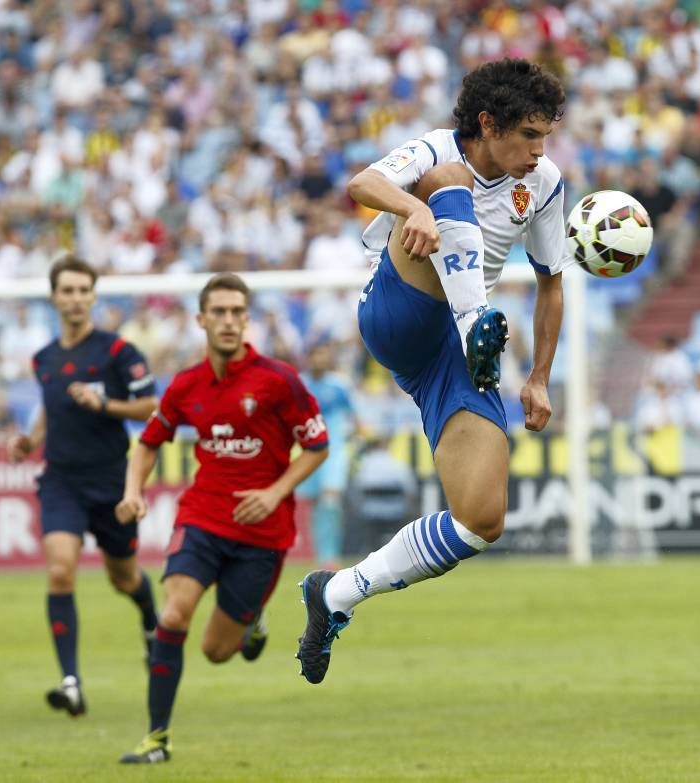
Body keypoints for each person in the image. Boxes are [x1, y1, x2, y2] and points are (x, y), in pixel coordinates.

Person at [296, 58, 570, 684]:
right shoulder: (440, 149)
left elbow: (551, 284)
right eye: (529, 135)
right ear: (487, 123)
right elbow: (364, 183)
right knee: (444, 183)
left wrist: (539, 377)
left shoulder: (547, 184)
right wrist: (412, 208)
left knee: (481, 518)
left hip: (451, 355)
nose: (540, 149)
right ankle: (478, 318)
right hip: (400, 309)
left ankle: (336, 594)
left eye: (545, 135)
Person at [116, 273, 329, 764]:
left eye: (238, 312)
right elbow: (148, 442)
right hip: (204, 517)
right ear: (201, 320)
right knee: (172, 615)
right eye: (220, 312)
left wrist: (275, 493)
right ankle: (156, 739)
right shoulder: (186, 386)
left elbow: (317, 446)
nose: (229, 321)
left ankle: (252, 624)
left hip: (263, 533)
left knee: (215, 650)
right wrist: (133, 492)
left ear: (246, 320)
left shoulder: (278, 380)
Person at [7, 255, 159, 716]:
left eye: (82, 290)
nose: (74, 298)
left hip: (111, 481)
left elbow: (150, 406)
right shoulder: (43, 358)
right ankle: (70, 681)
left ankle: (151, 624)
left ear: (93, 296)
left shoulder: (116, 352)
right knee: (59, 570)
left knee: (124, 577)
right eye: (66, 290)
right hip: (61, 480)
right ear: (53, 297)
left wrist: (104, 403)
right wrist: (30, 439)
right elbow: (52, 408)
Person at [295, 338, 358, 569]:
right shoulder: (299, 385)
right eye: (314, 355)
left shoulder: (339, 385)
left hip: (334, 452)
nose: (318, 359)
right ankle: (321, 555)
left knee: (330, 501)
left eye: (322, 354)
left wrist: (355, 441)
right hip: (308, 451)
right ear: (308, 358)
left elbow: (356, 417)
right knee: (313, 505)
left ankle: (330, 556)